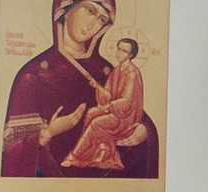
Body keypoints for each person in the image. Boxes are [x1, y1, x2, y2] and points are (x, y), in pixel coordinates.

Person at [0, 0, 161, 180]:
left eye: (102, 19)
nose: (94, 24)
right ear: (64, 10)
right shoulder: (34, 74)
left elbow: (135, 114)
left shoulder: (108, 70)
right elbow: (12, 156)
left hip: (107, 190)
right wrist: (47, 134)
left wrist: (143, 132)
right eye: (89, 11)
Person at [63, 36, 147, 170]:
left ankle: (74, 156)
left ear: (131, 55)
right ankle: (88, 155)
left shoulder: (132, 73)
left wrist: (110, 105)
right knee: (91, 113)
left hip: (125, 118)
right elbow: (107, 96)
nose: (119, 53)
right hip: (114, 111)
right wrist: (97, 87)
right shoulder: (116, 71)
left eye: (124, 51)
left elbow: (127, 101)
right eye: (119, 49)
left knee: (97, 122)